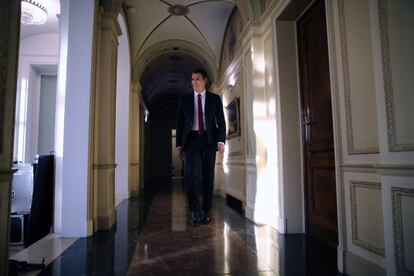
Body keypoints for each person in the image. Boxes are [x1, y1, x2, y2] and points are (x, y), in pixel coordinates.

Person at [176, 68, 226, 227]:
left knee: (208, 177)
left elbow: (221, 122)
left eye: (197, 79)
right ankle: (194, 212)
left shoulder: (215, 99)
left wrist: (221, 141)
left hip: (209, 141)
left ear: (205, 81)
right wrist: (179, 145)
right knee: (191, 176)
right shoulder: (184, 100)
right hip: (191, 141)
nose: (194, 82)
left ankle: (206, 211)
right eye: (192, 79)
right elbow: (180, 124)